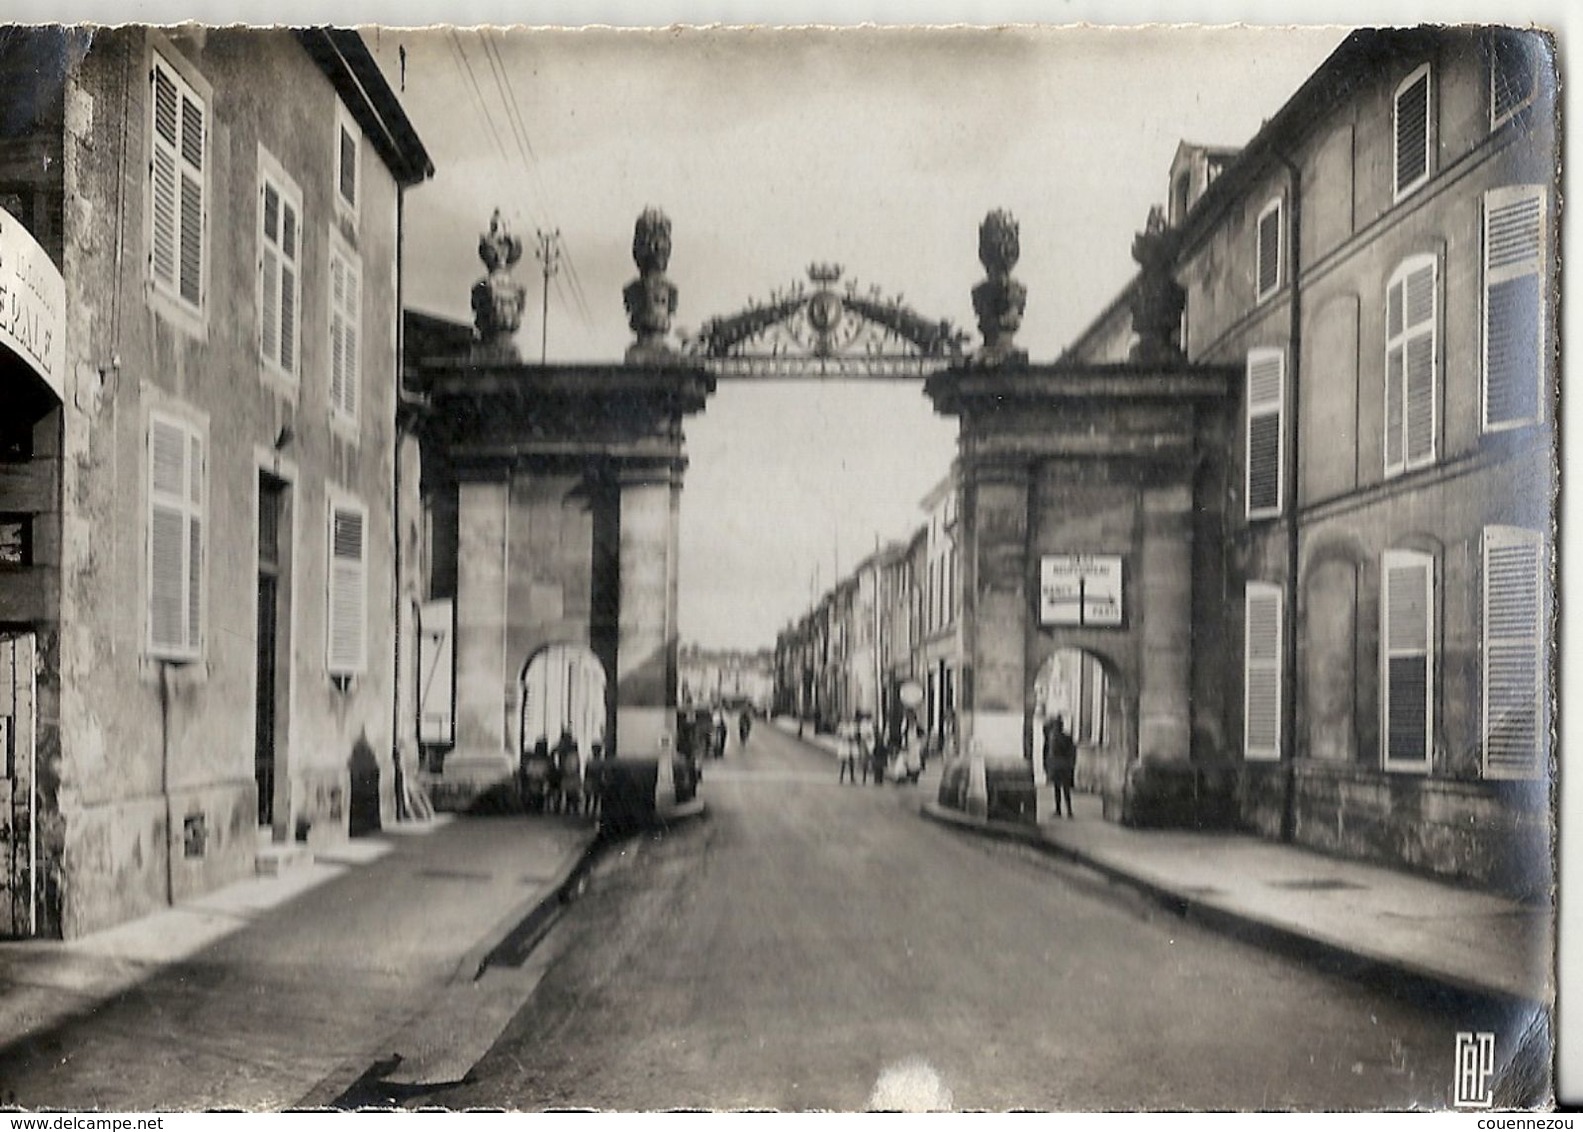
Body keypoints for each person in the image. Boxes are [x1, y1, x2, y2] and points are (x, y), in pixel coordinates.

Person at [1043, 714, 1077, 818]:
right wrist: (1071, 765)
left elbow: (1048, 754)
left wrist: (1047, 767)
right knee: (1065, 789)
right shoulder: (1066, 738)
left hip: (1057, 766)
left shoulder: (1052, 738)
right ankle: (1069, 810)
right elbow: (1072, 752)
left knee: (1058, 788)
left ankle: (1059, 810)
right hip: (1065, 766)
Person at [838, 717, 859, 784]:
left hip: (852, 745)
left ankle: (852, 777)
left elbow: (857, 735)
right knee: (844, 762)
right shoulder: (842, 725)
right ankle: (841, 777)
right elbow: (839, 734)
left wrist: (853, 738)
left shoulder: (853, 725)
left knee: (851, 762)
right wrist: (845, 737)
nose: (848, 720)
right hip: (844, 745)